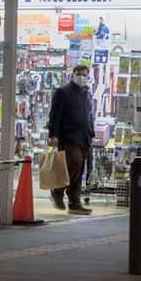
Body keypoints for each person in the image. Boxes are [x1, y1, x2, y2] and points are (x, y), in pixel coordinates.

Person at [47, 64, 95, 215]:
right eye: (79, 74)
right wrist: (53, 134)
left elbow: (89, 115)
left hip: (84, 137)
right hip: (68, 136)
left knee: (79, 168)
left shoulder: (87, 93)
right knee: (74, 163)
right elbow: (55, 114)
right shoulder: (63, 92)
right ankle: (62, 193)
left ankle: (72, 201)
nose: (81, 77)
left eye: (84, 74)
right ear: (72, 75)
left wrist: (91, 133)